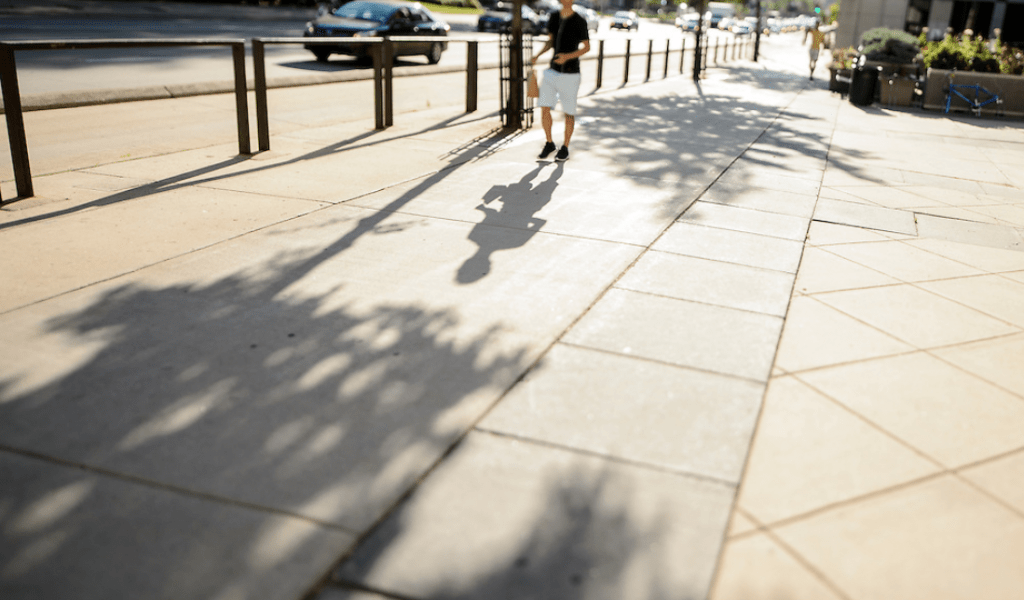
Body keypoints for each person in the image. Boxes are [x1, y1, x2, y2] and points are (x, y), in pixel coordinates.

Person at [531, 0, 590, 161]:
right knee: (544, 107)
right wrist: (537, 55)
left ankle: (565, 147)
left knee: (568, 112)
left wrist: (567, 57)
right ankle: (549, 143)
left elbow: (586, 47)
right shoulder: (554, 17)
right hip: (552, 70)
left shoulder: (580, 20)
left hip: (571, 73)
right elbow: (550, 41)